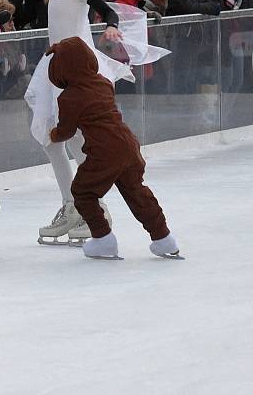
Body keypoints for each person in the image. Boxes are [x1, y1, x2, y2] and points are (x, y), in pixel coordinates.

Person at [24, 0, 137, 247]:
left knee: (73, 139)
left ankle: (93, 208)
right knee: (51, 140)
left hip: (76, 71)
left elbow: (106, 9)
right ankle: (74, 205)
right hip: (55, 68)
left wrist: (113, 27)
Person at [46, 37, 180, 260]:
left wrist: (53, 134)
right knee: (136, 191)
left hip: (104, 152)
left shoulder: (69, 98)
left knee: (82, 191)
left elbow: (66, 131)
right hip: (128, 144)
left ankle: (103, 238)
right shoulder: (103, 83)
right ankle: (163, 237)